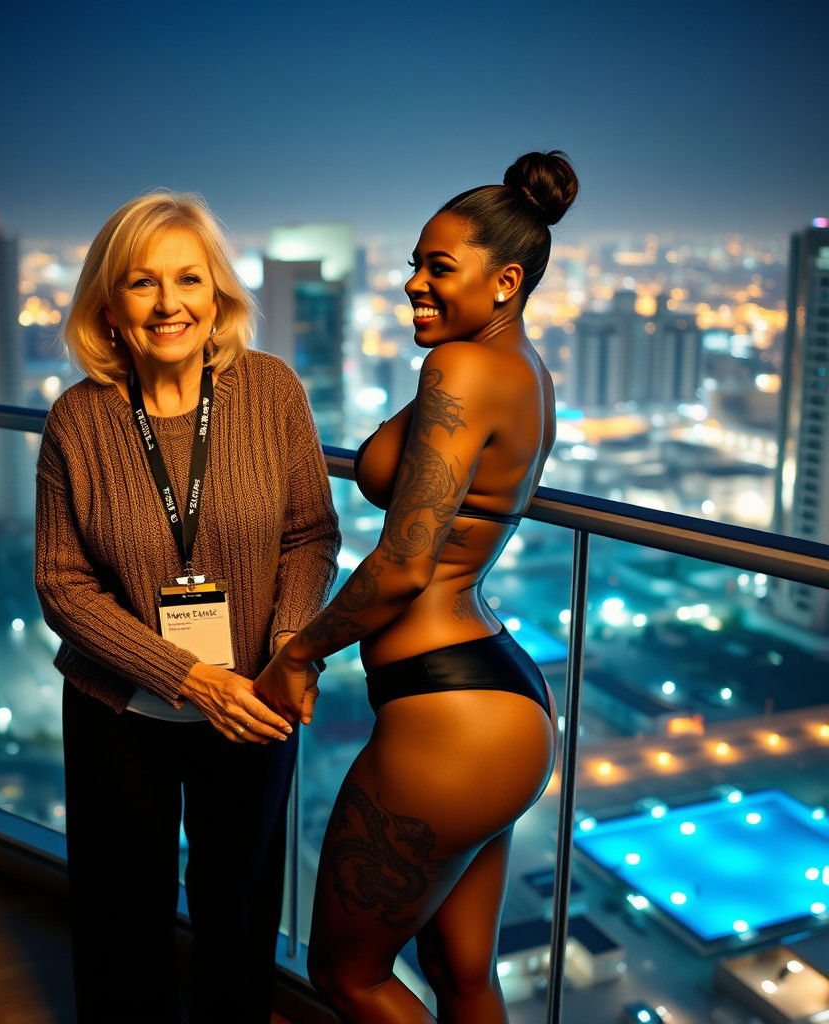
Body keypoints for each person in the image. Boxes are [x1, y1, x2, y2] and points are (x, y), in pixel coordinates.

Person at [257, 151, 577, 1023]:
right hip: (496, 700)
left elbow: (403, 561)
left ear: (506, 280)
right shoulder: (518, 367)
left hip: (451, 718)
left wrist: (301, 651)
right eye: (414, 265)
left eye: (439, 268)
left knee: (347, 977)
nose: (413, 285)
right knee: (461, 971)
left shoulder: (464, 373)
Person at [34, 191, 341, 1023]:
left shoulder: (271, 391)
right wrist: (190, 677)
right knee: (119, 917)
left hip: (254, 705)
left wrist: (283, 651)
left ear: (219, 295)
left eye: (187, 279)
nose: (169, 304)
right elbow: (62, 583)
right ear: (108, 304)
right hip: (118, 710)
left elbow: (312, 534)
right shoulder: (77, 419)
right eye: (142, 283)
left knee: (238, 919)